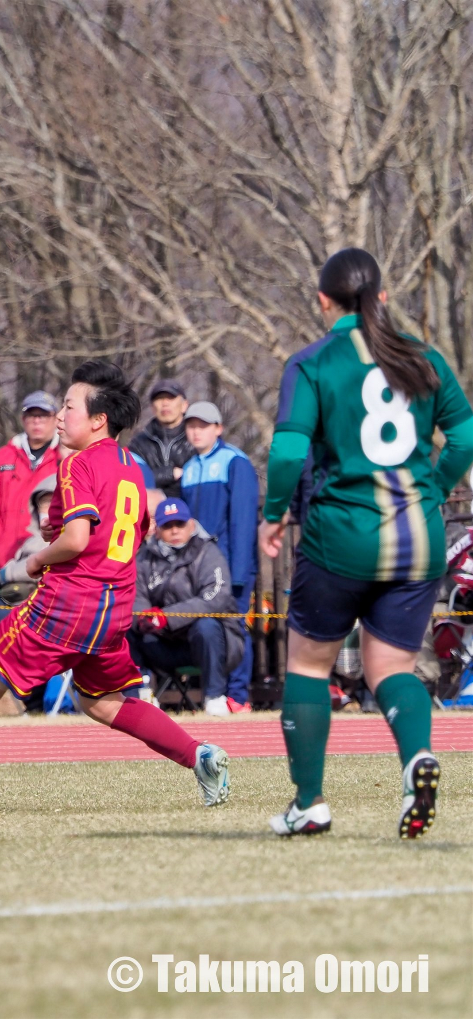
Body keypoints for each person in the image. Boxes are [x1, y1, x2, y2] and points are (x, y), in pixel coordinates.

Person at [0, 361, 228, 817]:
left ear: (99, 419)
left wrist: (35, 560)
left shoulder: (78, 463)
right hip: (113, 608)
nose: (60, 416)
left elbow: (78, 539)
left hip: (69, 604)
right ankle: (198, 756)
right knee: (102, 702)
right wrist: (56, 528)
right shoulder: (131, 467)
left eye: (69, 406)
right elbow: (129, 534)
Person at [259, 247, 473, 840]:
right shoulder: (423, 357)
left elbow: (287, 451)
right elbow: (465, 433)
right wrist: (434, 486)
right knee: (391, 666)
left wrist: (274, 514)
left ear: (323, 301)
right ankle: (415, 760)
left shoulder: (313, 362)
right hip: (419, 538)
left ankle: (309, 803)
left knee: (306, 662)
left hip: (343, 535)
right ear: (381, 296)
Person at [179, 400, 259, 713]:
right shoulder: (188, 468)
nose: (196, 432)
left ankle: (238, 696)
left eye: (203, 426)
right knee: (207, 628)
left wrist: (239, 572)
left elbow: (243, 520)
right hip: (199, 567)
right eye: (191, 426)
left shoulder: (234, 461)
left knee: (234, 627)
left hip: (229, 565)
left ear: (218, 429)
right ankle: (215, 693)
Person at [128, 499, 242, 711]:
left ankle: (214, 697)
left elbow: (216, 597)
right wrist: (144, 617)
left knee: (206, 627)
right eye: (167, 526)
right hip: (162, 642)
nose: (174, 531)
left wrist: (167, 617)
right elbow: (135, 595)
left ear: (191, 525)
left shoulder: (208, 552)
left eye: (179, 524)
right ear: (157, 530)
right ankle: (141, 694)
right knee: (129, 629)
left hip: (207, 644)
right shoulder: (143, 558)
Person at [0, 474, 57, 665]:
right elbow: (15, 565)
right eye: (43, 505)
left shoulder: (64, 540)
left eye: (52, 503)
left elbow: (38, 567)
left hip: (37, 612)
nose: (46, 511)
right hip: (10, 603)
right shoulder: (30, 541)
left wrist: (4, 575)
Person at [0, 391, 61, 569]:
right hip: (5, 558)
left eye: (43, 415)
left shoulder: (66, 457)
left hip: (50, 558)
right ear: (23, 419)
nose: (37, 421)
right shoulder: (3, 457)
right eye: (31, 415)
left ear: (55, 419)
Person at [129, 379, 194, 497]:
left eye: (171, 398)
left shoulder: (195, 440)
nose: (165, 403)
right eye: (159, 398)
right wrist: (169, 474)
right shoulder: (139, 443)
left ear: (184, 405)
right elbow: (132, 479)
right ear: (152, 407)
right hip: (150, 510)